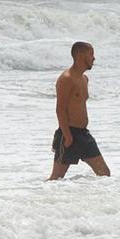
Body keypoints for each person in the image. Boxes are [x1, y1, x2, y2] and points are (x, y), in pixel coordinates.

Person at [48, 40, 110, 180]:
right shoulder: (66, 78)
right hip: (68, 134)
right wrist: (68, 135)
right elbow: (60, 110)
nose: (94, 58)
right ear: (81, 55)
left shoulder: (84, 79)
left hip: (83, 135)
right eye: (91, 54)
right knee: (56, 178)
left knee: (104, 173)